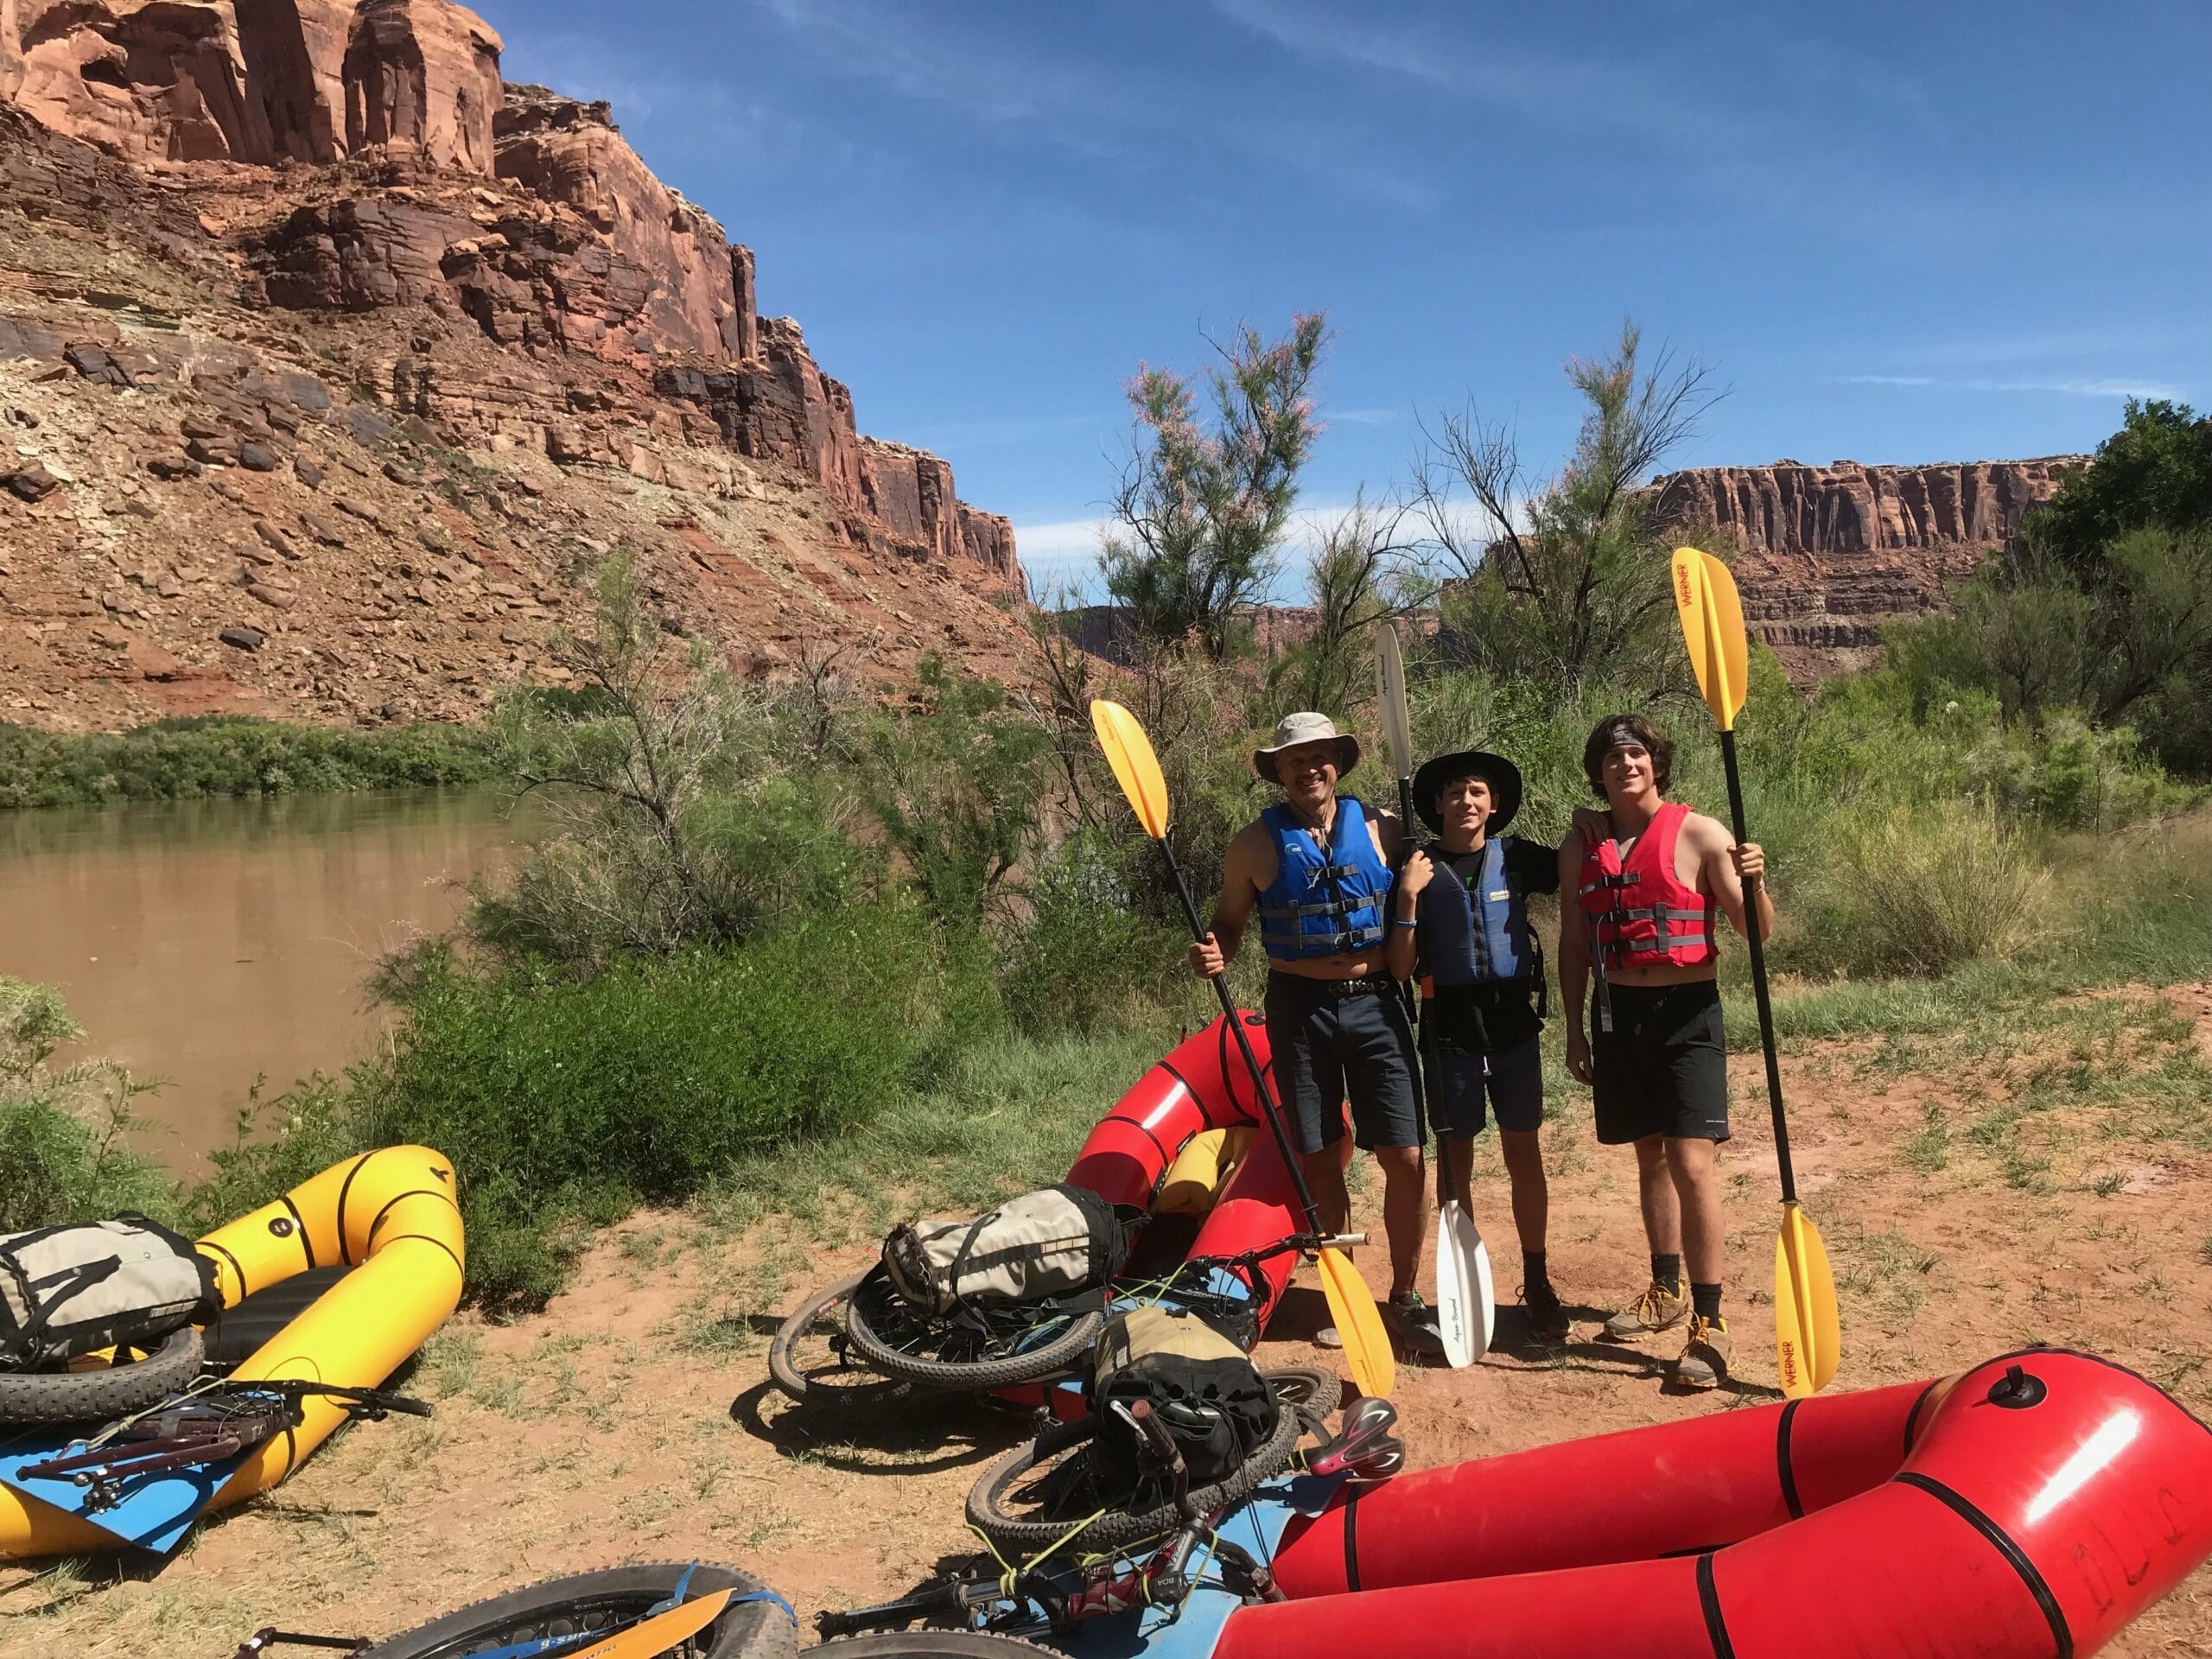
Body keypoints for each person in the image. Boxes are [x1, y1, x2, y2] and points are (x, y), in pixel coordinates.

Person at [1189, 711, 1439, 1354]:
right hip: (1299, 1008)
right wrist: (1215, 950)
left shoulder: (1385, 827)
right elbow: (1229, 922)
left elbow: (1434, 889)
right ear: (1279, 771)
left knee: (1406, 1156)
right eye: (1295, 760)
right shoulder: (1253, 844)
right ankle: (1344, 1296)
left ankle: (1405, 1295)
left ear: (1338, 763)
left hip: (1377, 1001)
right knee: (1322, 1156)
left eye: (1319, 757)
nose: (1309, 769)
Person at [1556, 714, 1771, 1389]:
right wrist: (1574, 1030)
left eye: (1637, 754)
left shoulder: (1701, 833)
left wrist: (1757, 881)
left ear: (1657, 763)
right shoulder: (1580, 846)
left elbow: (1756, 932)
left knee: (1691, 1161)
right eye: (1613, 757)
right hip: (1617, 1014)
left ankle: (1709, 1321)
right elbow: (1573, 943)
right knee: (1648, 1152)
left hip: (1687, 1012)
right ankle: (1666, 1287)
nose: (1626, 765)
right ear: (1598, 772)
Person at [1384, 747, 1570, 1339]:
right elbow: (1399, 968)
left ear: (1493, 805)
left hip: (1513, 1024)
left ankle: (1537, 1281)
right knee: (1454, 1160)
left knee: (1524, 1154)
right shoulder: (1416, 867)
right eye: (1455, 793)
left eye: (1477, 792)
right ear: (1438, 804)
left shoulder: (1517, 858)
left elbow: (1580, 864)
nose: (1465, 801)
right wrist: (1408, 896)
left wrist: (1592, 822)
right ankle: (1463, 1284)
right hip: (1449, 1027)